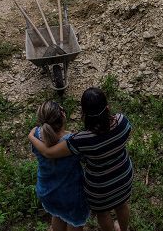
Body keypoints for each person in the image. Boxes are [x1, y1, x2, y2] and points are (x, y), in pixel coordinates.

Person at [29, 88, 133, 231]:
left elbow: (49, 152)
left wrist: (31, 137)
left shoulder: (80, 140)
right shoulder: (122, 121)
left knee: (102, 213)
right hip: (123, 179)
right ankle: (123, 229)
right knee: (122, 205)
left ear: (83, 114)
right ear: (107, 108)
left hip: (97, 189)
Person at [30, 101, 90, 231]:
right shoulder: (72, 141)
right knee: (74, 222)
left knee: (57, 215)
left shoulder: (36, 135)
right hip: (70, 196)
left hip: (47, 192)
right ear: (63, 115)